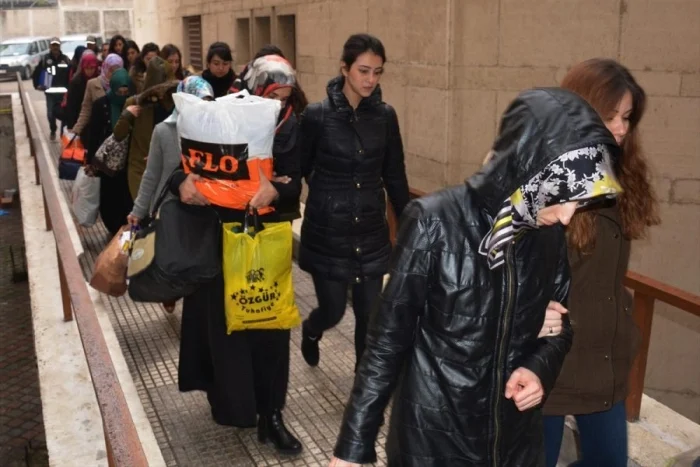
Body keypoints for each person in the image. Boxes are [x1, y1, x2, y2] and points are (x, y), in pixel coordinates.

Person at [328, 87, 624, 467]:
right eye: (560, 197)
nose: (567, 217)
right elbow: (386, 344)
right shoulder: (434, 222)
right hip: (433, 443)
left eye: (579, 201)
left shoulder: (548, 235)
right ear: (526, 170)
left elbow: (560, 328)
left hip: (515, 446)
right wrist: (352, 450)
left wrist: (538, 369)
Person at [170, 54, 305, 455]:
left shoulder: (292, 128)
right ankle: (230, 403)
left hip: (264, 242)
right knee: (225, 330)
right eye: (273, 96)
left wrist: (277, 190)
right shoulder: (218, 117)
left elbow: (296, 183)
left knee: (270, 328)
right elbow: (180, 168)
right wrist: (182, 184)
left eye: (285, 97)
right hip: (215, 242)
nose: (279, 104)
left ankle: (272, 415)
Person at [542, 59, 661, 467]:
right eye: (609, 116)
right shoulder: (544, 179)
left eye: (626, 117)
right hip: (547, 363)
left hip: (603, 359)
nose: (621, 128)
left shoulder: (620, 174)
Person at [298, 34, 409, 370]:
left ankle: (364, 393)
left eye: (377, 72)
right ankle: (312, 329)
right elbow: (300, 168)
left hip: (371, 233)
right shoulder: (317, 115)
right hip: (328, 235)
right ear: (345, 69)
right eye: (363, 70)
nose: (371, 80)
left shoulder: (386, 117)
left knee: (370, 319)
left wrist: (409, 221)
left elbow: (394, 174)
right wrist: (328, 196)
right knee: (332, 311)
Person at [127, 75, 214, 227]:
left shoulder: (217, 133)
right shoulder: (163, 131)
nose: (203, 109)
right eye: (197, 103)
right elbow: (151, 174)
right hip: (168, 213)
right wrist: (138, 211)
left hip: (205, 215)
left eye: (208, 103)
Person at [113, 56, 178, 200]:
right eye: (159, 87)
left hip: (168, 169)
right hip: (140, 169)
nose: (162, 91)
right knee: (143, 209)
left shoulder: (175, 104)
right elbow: (118, 135)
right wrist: (126, 116)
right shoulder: (135, 102)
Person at [85, 68, 135, 236]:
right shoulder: (101, 105)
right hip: (107, 164)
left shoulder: (133, 105)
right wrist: (91, 161)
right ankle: (112, 227)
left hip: (127, 162)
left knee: (126, 196)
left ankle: (124, 227)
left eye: (125, 92)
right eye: (119, 92)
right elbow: (94, 134)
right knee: (109, 197)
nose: (122, 96)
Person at [71, 54, 124, 140]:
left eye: (117, 71)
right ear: (105, 68)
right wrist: (76, 130)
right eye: (111, 70)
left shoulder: (124, 85)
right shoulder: (92, 84)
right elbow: (86, 109)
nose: (114, 74)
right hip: (98, 132)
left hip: (117, 132)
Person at [32, 37, 71, 140]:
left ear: (59, 46)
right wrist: (37, 85)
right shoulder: (45, 59)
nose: (55, 47)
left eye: (57, 45)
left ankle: (63, 134)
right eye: (53, 45)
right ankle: (53, 129)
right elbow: (36, 73)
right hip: (50, 94)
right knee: (50, 115)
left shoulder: (66, 59)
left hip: (63, 94)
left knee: (64, 114)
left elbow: (71, 74)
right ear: (50, 46)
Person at [64, 51, 99, 131]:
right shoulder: (76, 82)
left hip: (96, 122)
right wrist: (71, 125)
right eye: (87, 68)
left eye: (92, 68)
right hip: (79, 120)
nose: (89, 71)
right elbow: (71, 106)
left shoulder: (99, 80)